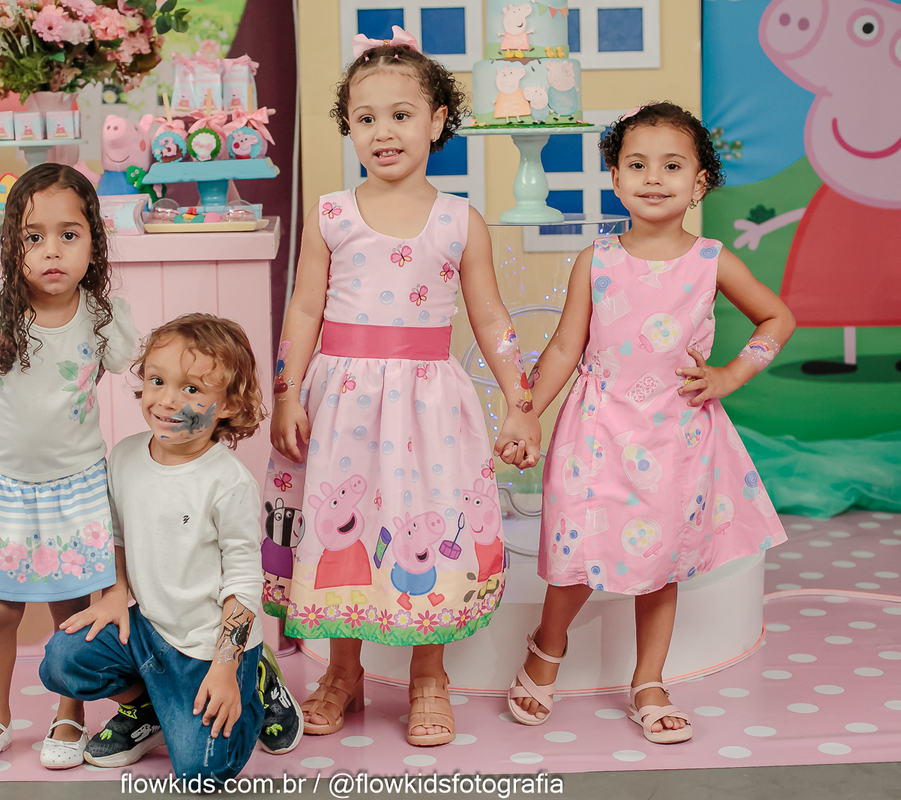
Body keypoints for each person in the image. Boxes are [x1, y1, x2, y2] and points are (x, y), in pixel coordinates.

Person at [261, 26, 540, 747]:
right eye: (366, 118)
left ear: (437, 121)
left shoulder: (459, 220)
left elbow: (490, 318)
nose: (383, 131)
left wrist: (520, 402)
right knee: (342, 529)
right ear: (348, 128)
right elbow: (304, 308)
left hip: (428, 409)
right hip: (343, 402)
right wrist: (287, 391)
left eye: (401, 114)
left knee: (429, 525)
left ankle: (428, 675)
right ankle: (342, 671)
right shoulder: (331, 215)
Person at [502, 102, 795, 744]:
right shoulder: (597, 259)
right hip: (595, 432)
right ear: (615, 177)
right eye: (637, 165)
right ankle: (547, 647)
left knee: (659, 562)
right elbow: (563, 348)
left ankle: (649, 680)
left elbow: (778, 318)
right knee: (575, 552)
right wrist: (525, 414)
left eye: (672, 166)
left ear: (699, 183)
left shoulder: (711, 260)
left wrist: (729, 376)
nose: (654, 177)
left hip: (673, 436)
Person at [0, 163, 140, 770]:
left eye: (70, 234)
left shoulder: (103, 318)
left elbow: (145, 373)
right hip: (2, 485)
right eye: (34, 237)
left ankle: (70, 713)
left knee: (72, 609)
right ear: (12, 245)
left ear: (94, 242)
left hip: (76, 485)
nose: (52, 251)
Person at [39, 314, 303, 778]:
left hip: (211, 647)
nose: (166, 400)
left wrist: (226, 668)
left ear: (228, 403)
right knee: (62, 661)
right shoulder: (124, 457)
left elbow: (243, 582)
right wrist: (115, 594)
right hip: (148, 632)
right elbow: (116, 535)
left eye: (192, 389)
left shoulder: (228, 483)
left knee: (203, 772)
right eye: (157, 381)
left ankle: (257, 681)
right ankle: (145, 708)